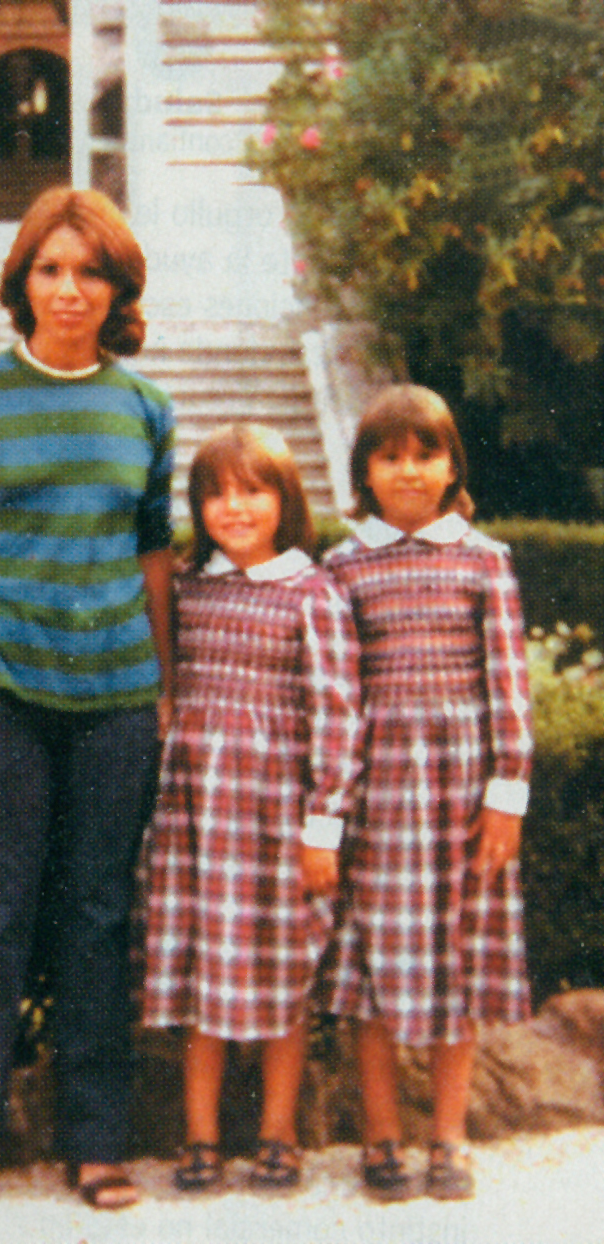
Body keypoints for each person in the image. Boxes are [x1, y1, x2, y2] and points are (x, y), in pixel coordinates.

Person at [0, 186, 175, 1221]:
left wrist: (167, 683)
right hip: (0, 679)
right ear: (23, 282)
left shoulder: (146, 408)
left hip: (114, 690)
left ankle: (96, 1140)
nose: (69, 289)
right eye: (51, 269)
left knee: (100, 913)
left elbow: (153, 555)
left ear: (117, 289)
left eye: (89, 271)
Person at [320, 385, 534, 1202]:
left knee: (461, 959)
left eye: (425, 454)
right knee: (370, 963)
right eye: (389, 457)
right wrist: (331, 809)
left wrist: (505, 794)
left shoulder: (483, 559)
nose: (408, 472)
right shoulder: (342, 567)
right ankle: (380, 1139)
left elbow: (508, 685)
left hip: (461, 787)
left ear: (451, 467)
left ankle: (448, 1137)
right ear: (365, 470)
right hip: (375, 787)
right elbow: (335, 692)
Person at [142, 423, 362, 1194]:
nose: (233, 508)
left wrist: (322, 826)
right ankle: (199, 1135)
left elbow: (336, 716)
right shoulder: (189, 588)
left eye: (252, 491)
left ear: (285, 499)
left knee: (282, 969)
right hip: (199, 817)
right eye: (216, 494)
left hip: (275, 819)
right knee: (205, 966)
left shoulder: (313, 593)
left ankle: (278, 1130)